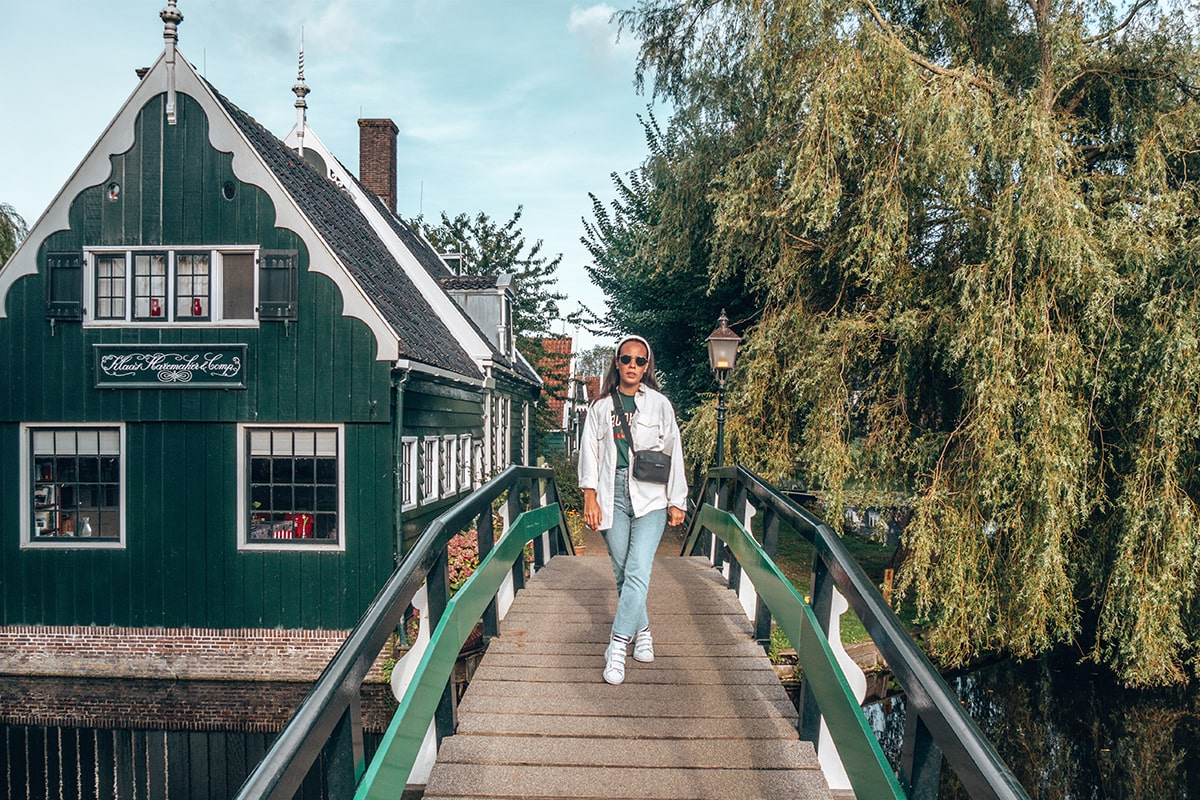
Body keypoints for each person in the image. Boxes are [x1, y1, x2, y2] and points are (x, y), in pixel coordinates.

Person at [578, 334, 687, 685]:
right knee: (624, 573)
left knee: (638, 570)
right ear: (617, 362)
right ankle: (644, 633)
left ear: (647, 367)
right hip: (612, 494)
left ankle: (616, 647)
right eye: (627, 359)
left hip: (651, 496)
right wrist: (589, 496)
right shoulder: (600, 407)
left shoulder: (659, 405)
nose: (633, 367)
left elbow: (674, 453)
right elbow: (589, 456)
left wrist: (677, 500)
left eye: (640, 361)